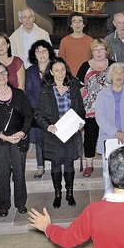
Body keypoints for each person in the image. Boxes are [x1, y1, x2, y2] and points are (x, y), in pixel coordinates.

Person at [0, 61, 33, 217]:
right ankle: (4, 205)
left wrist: (23, 132)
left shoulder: (19, 94)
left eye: (3, 72)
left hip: (19, 139)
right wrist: (3, 136)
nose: (1, 76)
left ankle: (21, 203)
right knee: (2, 174)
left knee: (19, 172)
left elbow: (29, 116)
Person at [35, 57, 85, 208]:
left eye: (63, 69)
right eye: (56, 70)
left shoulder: (74, 86)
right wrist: (47, 126)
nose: (60, 73)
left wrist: (80, 122)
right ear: (51, 72)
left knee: (69, 164)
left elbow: (80, 110)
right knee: (56, 164)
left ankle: (70, 193)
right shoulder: (45, 90)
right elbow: (38, 114)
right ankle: (58, 194)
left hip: (71, 132)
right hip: (54, 133)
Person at [95, 62, 124, 196]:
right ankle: (108, 198)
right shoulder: (102, 95)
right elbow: (100, 117)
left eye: (122, 73)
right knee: (108, 172)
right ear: (110, 75)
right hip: (109, 138)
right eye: (116, 73)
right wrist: (116, 132)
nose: (119, 76)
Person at [76, 39, 114, 177]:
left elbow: (121, 82)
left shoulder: (113, 65)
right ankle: (89, 165)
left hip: (110, 109)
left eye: (101, 49)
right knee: (90, 136)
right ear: (91, 52)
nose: (98, 52)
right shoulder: (85, 66)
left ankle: (111, 163)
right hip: (90, 108)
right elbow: (78, 86)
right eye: (95, 50)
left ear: (106, 51)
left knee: (110, 136)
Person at [25, 40, 56, 179]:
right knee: (39, 139)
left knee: (55, 138)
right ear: (34, 54)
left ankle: (56, 165)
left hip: (55, 110)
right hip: (37, 111)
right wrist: (38, 108)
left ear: (49, 52)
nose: (41, 54)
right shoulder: (30, 71)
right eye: (38, 51)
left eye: (44, 50)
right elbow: (29, 92)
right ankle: (40, 167)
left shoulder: (57, 67)